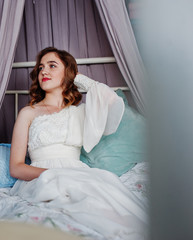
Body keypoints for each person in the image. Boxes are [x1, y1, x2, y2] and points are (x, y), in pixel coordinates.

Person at [8, 47, 147, 239]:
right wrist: (53, 174)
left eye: (52, 66)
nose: (44, 72)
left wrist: (76, 77)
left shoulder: (80, 112)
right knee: (72, 205)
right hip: (41, 175)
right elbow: (16, 168)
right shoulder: (28, 113)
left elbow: (111, 100)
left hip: (77, 171)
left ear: (68, 73)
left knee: (107, 195)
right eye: (40, 68)